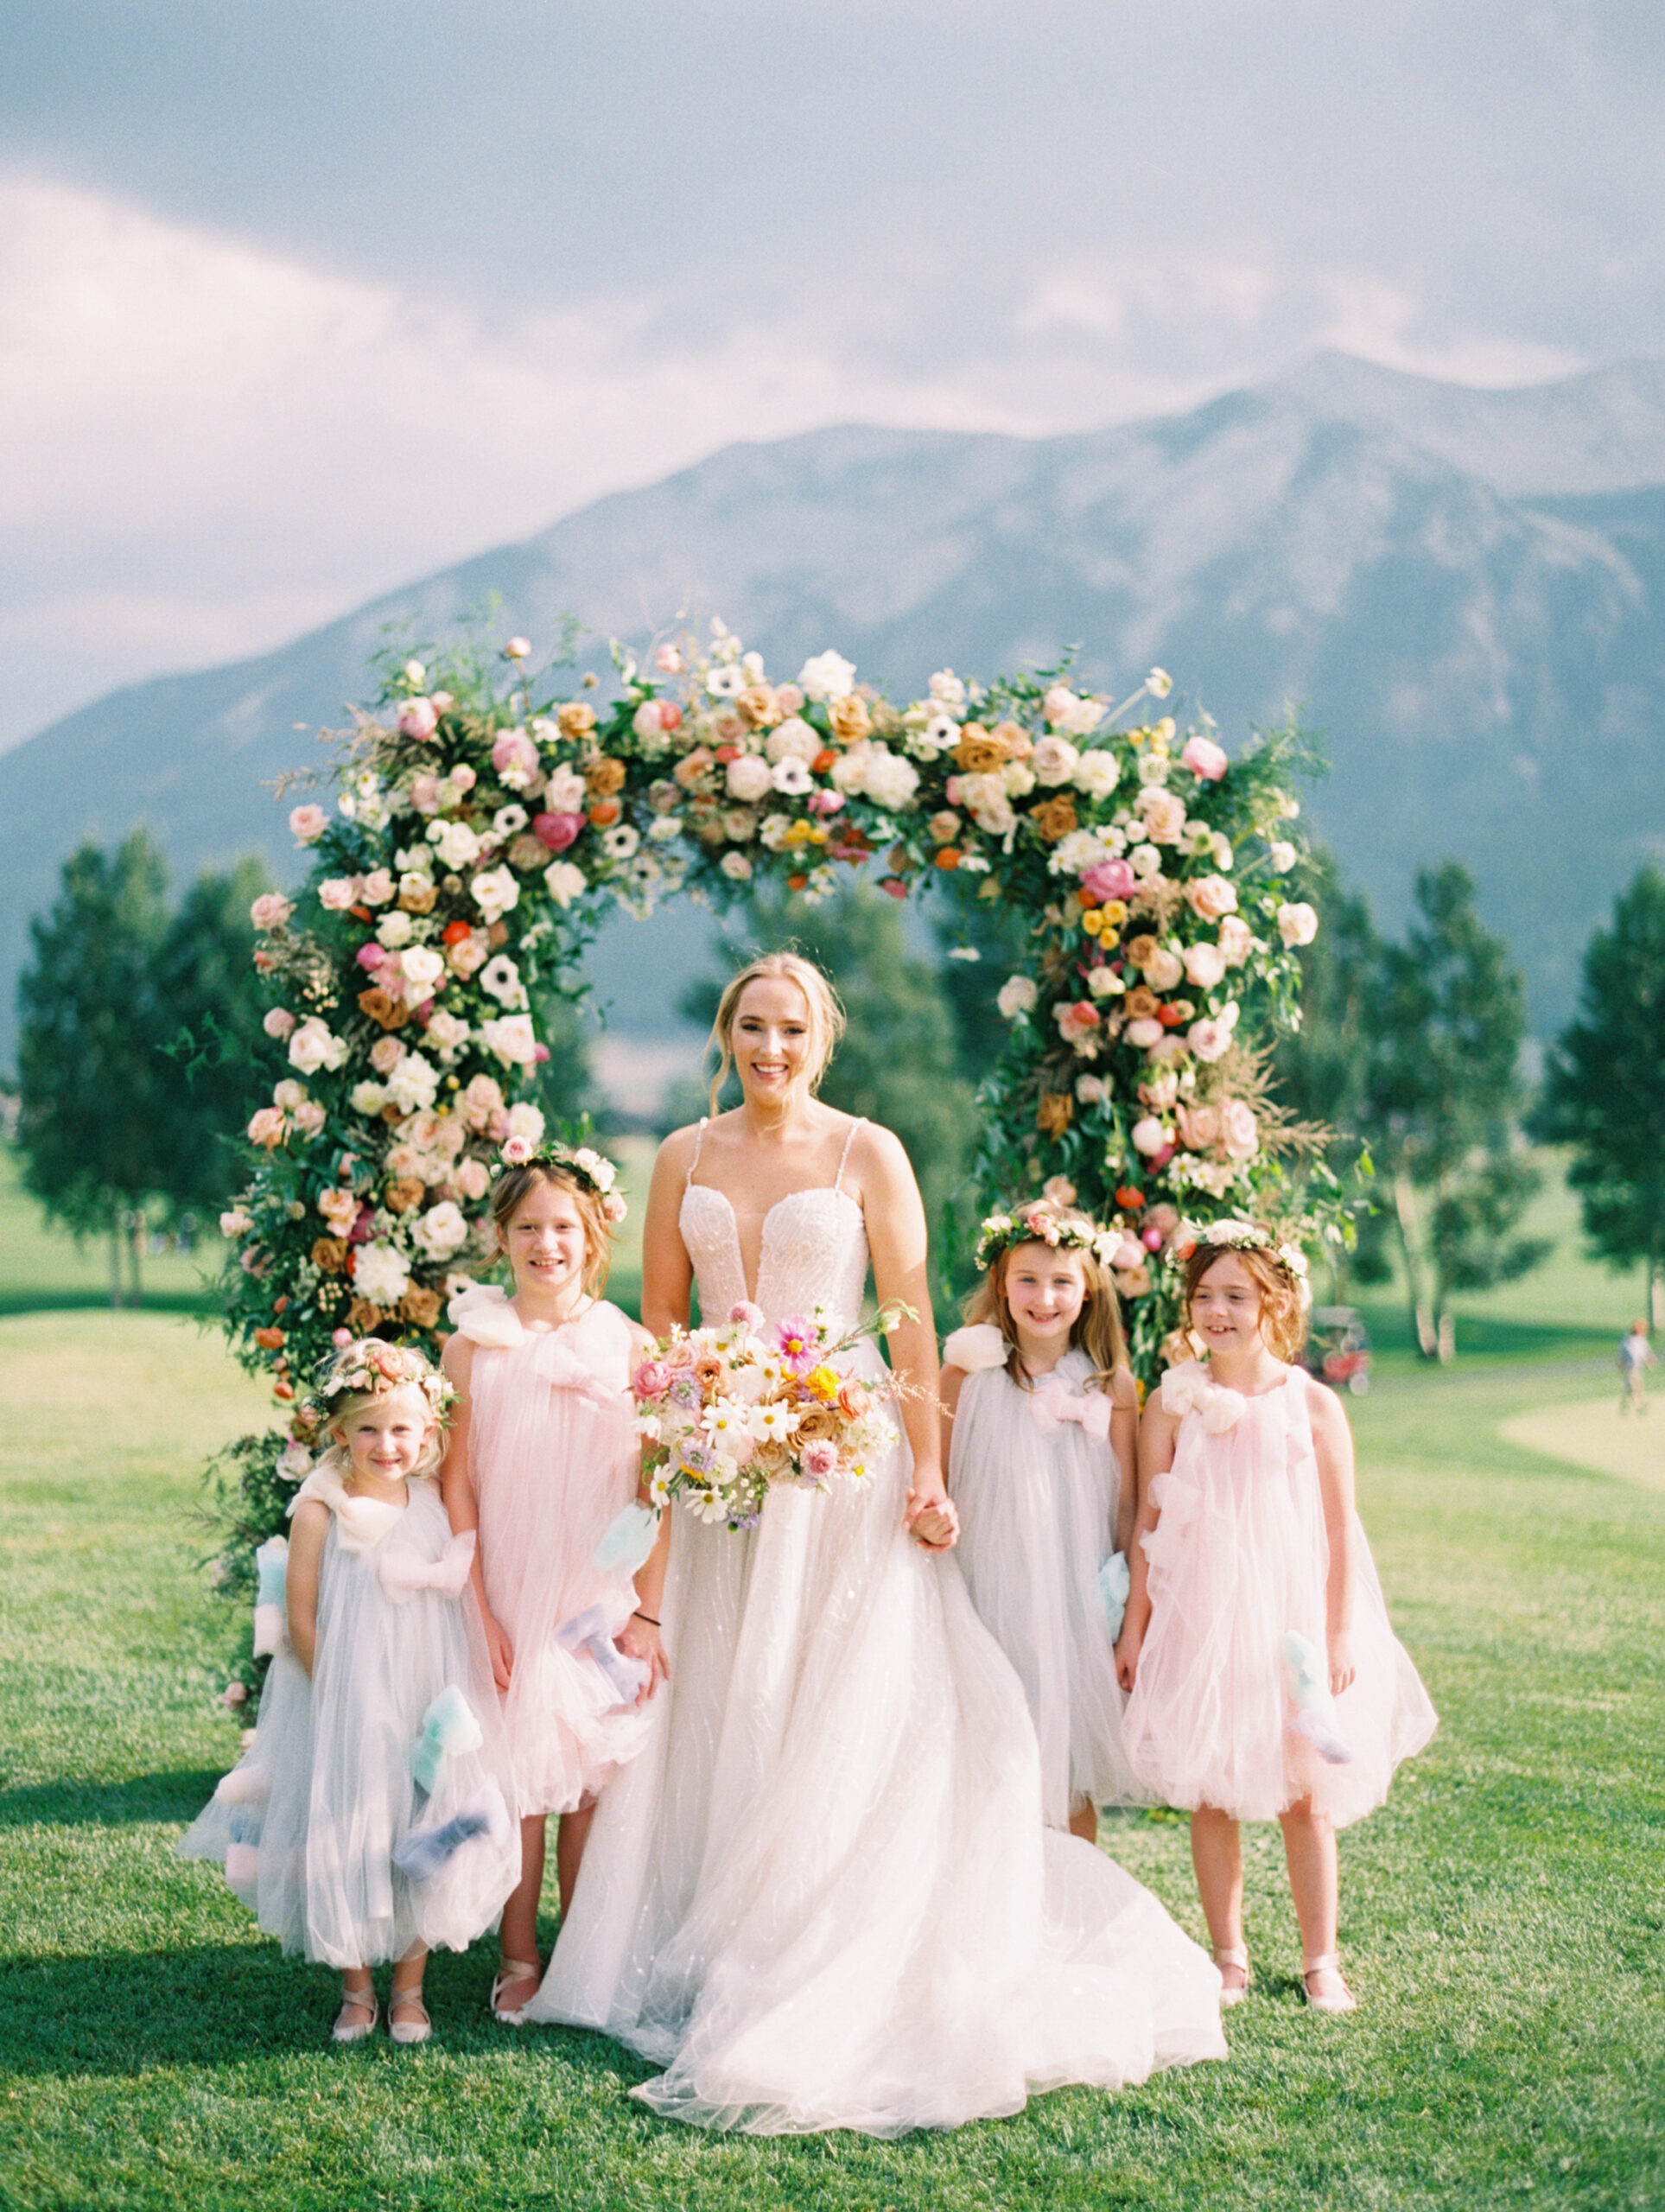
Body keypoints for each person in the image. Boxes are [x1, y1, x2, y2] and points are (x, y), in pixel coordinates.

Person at [519, 950, 1226, 2134]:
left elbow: (905, 1319)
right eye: (750, 1024)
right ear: (723, 1031)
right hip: (714, 1457)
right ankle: (694, 1924)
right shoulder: (680, 1157)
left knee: (828, 1691)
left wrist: (929, 1474)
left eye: (790, 1028)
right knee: (718, 1681)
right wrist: (693, 1389)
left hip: (839, 1448)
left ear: (820, 1040)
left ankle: (809, 1928)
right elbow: (655, 1306)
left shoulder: (865, 1153)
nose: (769, 1048)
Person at [1116, 1222, 1438, 2015]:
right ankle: (1228, 1956)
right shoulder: (1171, 1401)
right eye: (1203, 1297)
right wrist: (1135, 1625)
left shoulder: (1313, 1404)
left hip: (1290, 1610)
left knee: (1304, 1791)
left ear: (1276, 1302)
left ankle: (1320, 1959)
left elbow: (1337, 1526)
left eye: (1235, 1296)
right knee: (1212, 1789)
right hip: (1203, 1610)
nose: (1216, 1311)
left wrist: (1335, 1632)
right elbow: (1147, 1529)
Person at [178, 1339, 519, 2044]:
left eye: (401, 1429)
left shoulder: (428, 1503)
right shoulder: (320, 1508)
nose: (385, 1444)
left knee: (418, 1822)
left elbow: (445, 1608)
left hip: (423, 1697)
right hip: (346, 1700)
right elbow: (303, 1616)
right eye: (368, 1428)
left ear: (427, 1432)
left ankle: (410, 1990)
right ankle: (356, 1988)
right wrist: (345, 1696)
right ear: (338, 1433)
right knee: (350, 1830)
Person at [440, 1141, 658, 2019]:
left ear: (593, 1234)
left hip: (596, 1585)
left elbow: (657, 1487)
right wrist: (476, 1603)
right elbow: (455, 1478)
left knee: (590, 1775)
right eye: (527, 1226)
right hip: (513, 1582)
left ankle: (583, 1945)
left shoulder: (630, 1342)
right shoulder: (472, 1342)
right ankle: (518, 1949)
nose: (546, 1243)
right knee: (523, 1777)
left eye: (563, 1226)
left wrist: (647, 1612)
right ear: (501, 1238)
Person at [941, 1198, 1147, 1839]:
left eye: (1061, 1281)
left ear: (1087, 1291)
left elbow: (1126, 1505)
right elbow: (937, 1478)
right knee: (991, 1750)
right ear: (1000, 1285)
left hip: (1074, 1601)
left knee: (1069, 1759)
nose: (1044, 1297)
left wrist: (1130, 1613)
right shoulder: (968, 1375)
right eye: (1027, 1279)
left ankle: (1071, 1901)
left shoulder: (1109, 1386)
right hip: (988, 1590)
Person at [1617, 1319, 1656, 1414]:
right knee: (1633, 1387)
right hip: (1629, 1367)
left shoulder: (1641, 1339)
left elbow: (1646, 1351)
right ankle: (1639, 1405)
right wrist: (1620, 1364)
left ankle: (1625, 1405)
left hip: (1637, 1367)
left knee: (1633, 1387)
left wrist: (1650, 1360)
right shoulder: (1627, 1339)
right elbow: (1622, 1352)